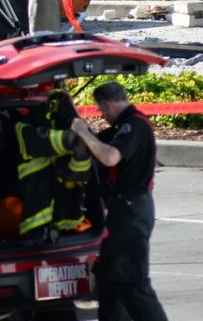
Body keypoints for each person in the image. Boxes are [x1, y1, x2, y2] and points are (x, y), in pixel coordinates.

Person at [69, 82, 169, 321]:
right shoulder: (121, 127)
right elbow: (98, 143)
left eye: (101, 110)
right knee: (109, 278)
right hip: (121, 211)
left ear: (108, 103)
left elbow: (110, 157)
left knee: (133, 282)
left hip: (132, 211)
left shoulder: (134, 125)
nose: (102, 115)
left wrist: (83, 132)